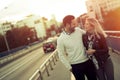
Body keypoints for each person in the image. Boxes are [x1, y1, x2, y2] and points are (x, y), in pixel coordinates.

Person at [57, 15, 97, 80]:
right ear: (67, 25)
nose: (75, 25)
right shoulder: (61, 39)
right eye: (73, 24)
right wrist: (69, 67)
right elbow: (61, 55)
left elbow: (89, 34)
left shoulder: (78, 30)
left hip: (87, 61)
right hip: (75, 66)